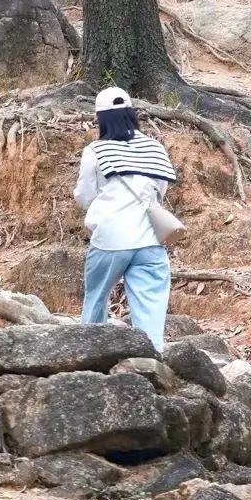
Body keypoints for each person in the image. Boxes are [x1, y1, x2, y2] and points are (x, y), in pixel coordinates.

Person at [73, 86, 177, 351]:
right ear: (132, 114)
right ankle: (150, 356)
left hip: (110, 238)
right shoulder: (155, 148)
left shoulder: (96, 151)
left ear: (101, 119)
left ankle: (91, 352)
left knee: (96, 298)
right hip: (150, 240)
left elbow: (85, 195)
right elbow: (160, 191)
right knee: (151, 304)